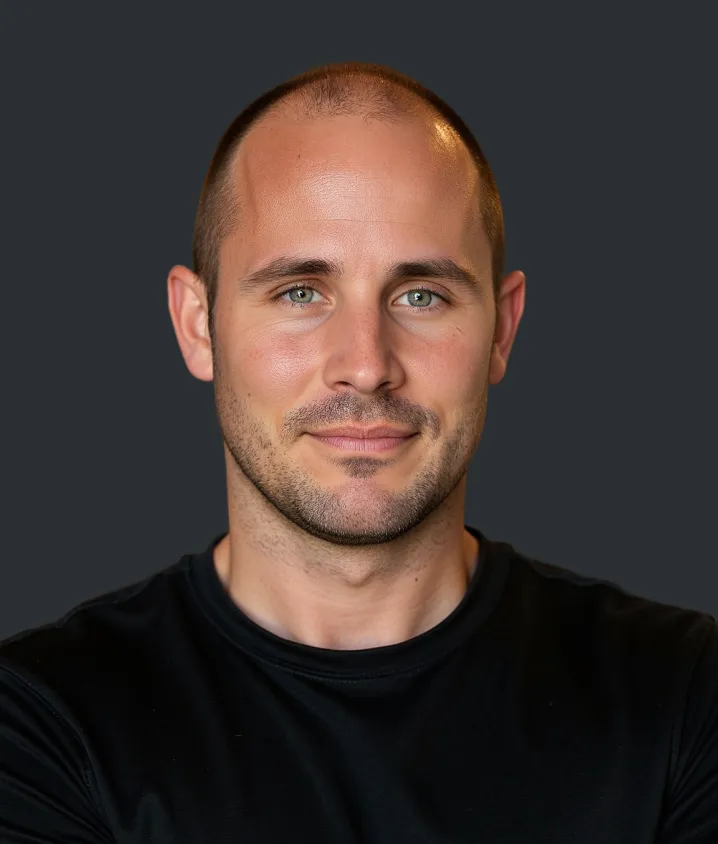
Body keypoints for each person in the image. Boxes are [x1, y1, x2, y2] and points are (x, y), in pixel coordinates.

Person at [1, 61, 716, 843]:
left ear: (502, 330)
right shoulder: (41, 720)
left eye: (422, 295)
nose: (368, 362)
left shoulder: (686, 695)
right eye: (301, 292)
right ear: (198, 324)